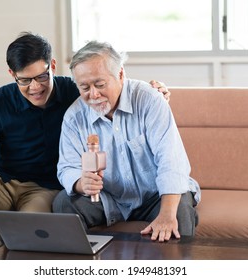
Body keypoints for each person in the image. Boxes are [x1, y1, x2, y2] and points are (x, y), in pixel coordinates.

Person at [0, 32, 170, 256]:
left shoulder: (76, 92)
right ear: (12, 74)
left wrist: (153, 89)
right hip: (2, 179)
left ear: (53, 65)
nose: (35, 87)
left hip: (48, 188)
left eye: (41, 76)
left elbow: (111, 85)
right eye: (24, 80)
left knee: (29, 230)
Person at [53, 41, 201, 242]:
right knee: (63, 202)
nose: (93, 95)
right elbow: (66, 167)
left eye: (100, 84)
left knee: (178, 210)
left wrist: (166, 215)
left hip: (155, 195)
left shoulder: (150, 100)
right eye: (84, 87)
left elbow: (171, 161)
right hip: (108, 198)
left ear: (121, 75)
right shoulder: (74, 117)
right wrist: (80, 183)